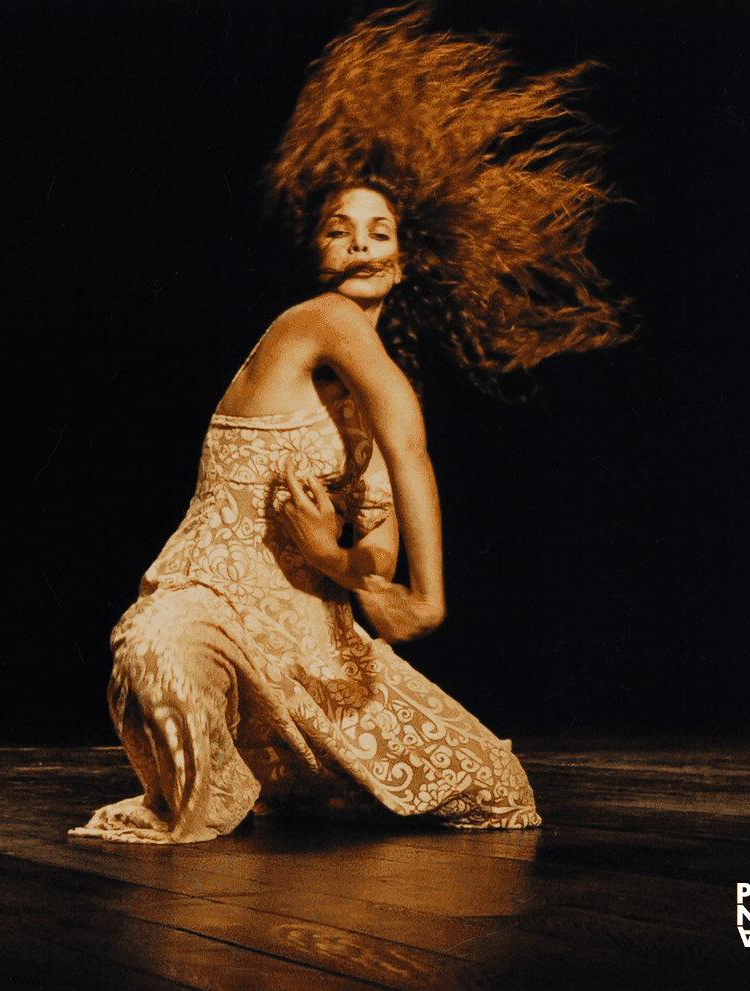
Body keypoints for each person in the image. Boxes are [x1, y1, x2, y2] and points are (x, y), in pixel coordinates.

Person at [71, 5, 631, 844]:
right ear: (318, 256)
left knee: (500, 791)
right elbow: (410, 441)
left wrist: (336, 558)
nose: (360, 246)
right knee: (154, 654)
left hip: (316, 648)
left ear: (404, 262)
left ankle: (289, 780)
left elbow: (375, 556)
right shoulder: (314, 324)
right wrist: (427, 603)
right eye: (340, 232)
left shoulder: (366, 407)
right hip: (210, 611)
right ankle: (230, 777)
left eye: (380, 233)